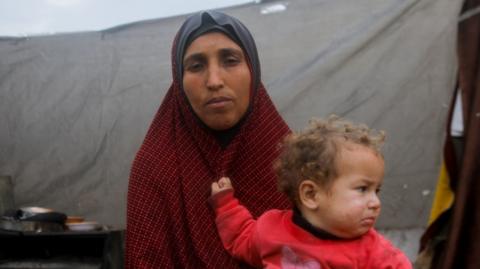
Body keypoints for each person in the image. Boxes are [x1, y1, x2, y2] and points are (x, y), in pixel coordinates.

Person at [126, 10, 291, 268]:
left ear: (253, 70)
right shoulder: (155, 168)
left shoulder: (293, 163)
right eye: (196, 66)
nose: (214, 81)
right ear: (179, 81)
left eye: (230, 60)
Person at [210, 116, 413, 268]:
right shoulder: (271, 229)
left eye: (376, 190)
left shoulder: (376, 255)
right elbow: (241, 238)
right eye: (362, 189)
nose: (375, 202)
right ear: (311, 195)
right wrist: (225, 204)